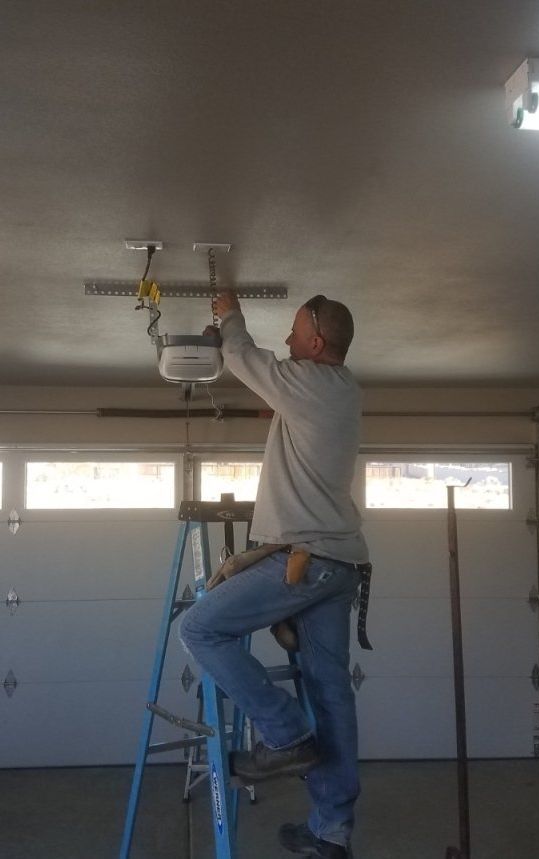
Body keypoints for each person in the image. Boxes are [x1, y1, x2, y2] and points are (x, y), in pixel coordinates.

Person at [179, 289, 370, 859]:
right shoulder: (341, 390)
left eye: (293, 334)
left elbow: (241, 354)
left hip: (303, 563)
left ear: (316, 341)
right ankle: (331, 832)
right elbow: (289, 405)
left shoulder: (307, 382)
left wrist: (228, 310)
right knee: (332, 694)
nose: (286, 342)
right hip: (338, 566)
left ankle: (284, 735)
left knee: (200, 629)